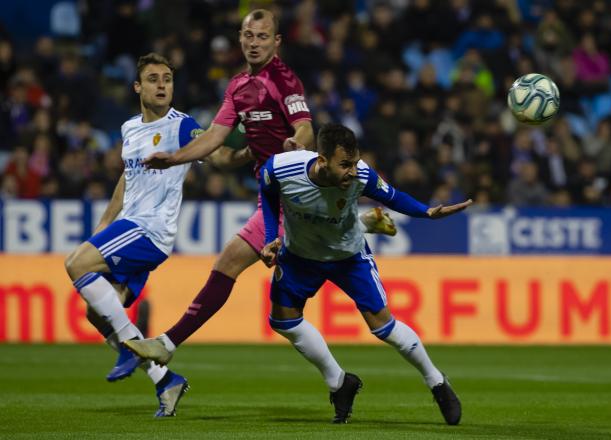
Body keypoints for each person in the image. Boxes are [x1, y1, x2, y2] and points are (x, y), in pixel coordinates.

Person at [125, 9, 395, 364]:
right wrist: (177, 158)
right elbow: (214, 138)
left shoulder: (284, 80)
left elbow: (304, 126)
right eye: (249, 36)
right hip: (273, 199)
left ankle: (167, 344)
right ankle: (361, 224)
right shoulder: (237, 87)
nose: (254, 43)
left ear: (276, 41)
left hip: (296, 196)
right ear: (240, 38)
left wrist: (296, 144)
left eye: (262, 37)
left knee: (258, 284)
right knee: (234, 268)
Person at [256, 124, 471, 424]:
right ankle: (339, 382)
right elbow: (267, 191)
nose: (352, 171)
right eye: (344, 164)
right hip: (300, 256)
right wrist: (270, 236)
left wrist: (427, 212)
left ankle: (436, 381)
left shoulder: (363, 176)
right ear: (322, 160)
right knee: (282, 320)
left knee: (383, 327)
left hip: (348, 256)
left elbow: (393, 197)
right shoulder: (281, 168)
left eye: (355, 162)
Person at [64, 53, 202, 417]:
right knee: (99, 312)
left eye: (168, 79)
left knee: (75, 264)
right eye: (154, 79)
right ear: (138, 87)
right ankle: (165, 380)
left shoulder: (183, 126)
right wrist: (104, 227)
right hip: (128, 227)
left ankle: (129, 346)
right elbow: (126, 180)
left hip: (150, 229)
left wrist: (242, 146)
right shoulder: (129, 129)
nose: (162, 85)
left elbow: (214, 149)